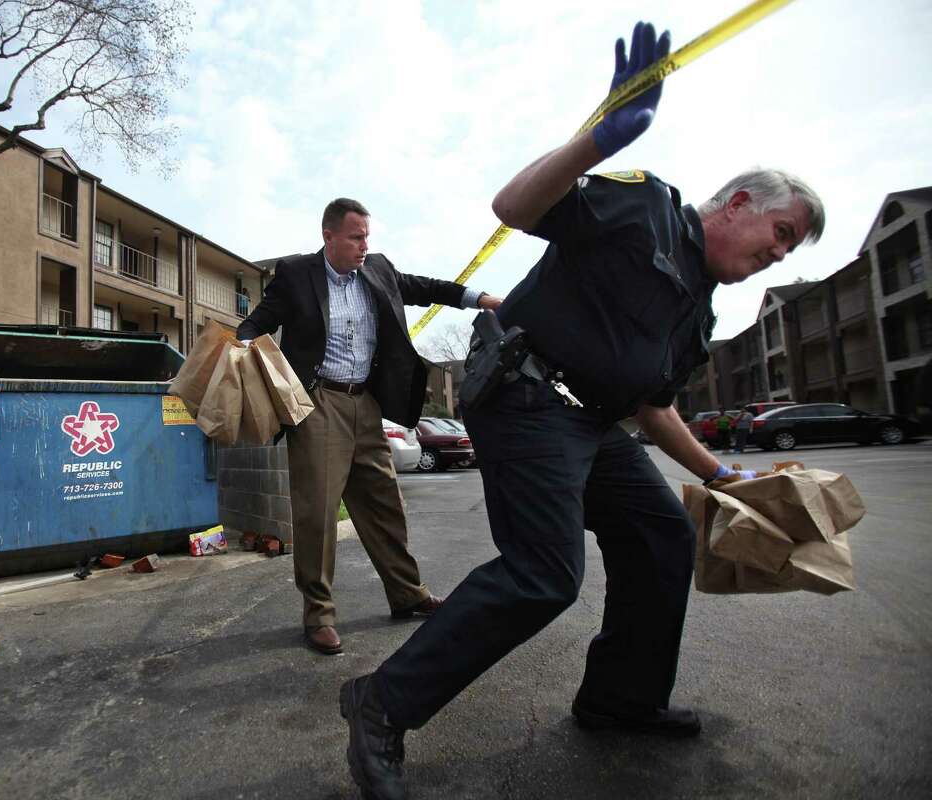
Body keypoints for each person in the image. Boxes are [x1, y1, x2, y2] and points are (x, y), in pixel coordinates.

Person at [338, 21, 825, 799]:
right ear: (739, 203)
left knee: (661, 535)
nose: (778, 254)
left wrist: (720, 475)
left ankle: (619, 699)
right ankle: (382, 704)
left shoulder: (699, 311)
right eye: (782, 234)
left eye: (788, 251)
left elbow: (652, 406)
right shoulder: (648, 208)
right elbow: (514, 204)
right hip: (528, 398)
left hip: (593, 425)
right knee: (544, 574)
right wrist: (598, 141)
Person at [236, 198, 503, 656]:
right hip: (319, 402)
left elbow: (424, 287)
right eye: (356, 237)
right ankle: (319, 615)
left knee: (384, 503)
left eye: (367, 237)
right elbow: (260, 320)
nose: (364, 245)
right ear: (329, 237)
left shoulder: (378, 269)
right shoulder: (297, 274)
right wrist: (238, 345)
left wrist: (478, 298)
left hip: (367, 402)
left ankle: (408, 593)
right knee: (318, 511)